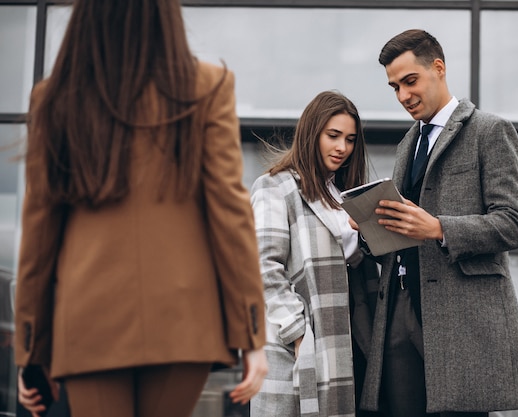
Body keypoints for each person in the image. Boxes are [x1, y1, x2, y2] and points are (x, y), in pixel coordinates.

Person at [13, 1, 267, 416]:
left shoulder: (55, 97)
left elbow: (39, 234)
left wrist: (30, 346)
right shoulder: (208, 86)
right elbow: (230, 214)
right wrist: (252, 334)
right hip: (184, 321)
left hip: (88, 321)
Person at [356, 29, 518, 417]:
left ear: (439, 68)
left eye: (410, 81)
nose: (403, 96)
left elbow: (513, 223)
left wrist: (439, 228)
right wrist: (369, 229)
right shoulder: (406, 145)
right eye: (394, 87)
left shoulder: (490, 131)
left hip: (460, 320)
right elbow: (405, 230)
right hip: (399, 307)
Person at [249, 91, 379, 417]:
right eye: (333, 136)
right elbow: (262, 265)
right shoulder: (275, 186)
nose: (342, 148)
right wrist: (297, 333)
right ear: (311, 133)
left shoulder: (342, 194)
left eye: (350, 139)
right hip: (295, 339)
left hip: (343, 334)